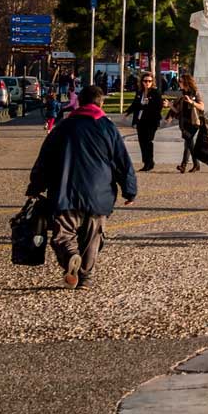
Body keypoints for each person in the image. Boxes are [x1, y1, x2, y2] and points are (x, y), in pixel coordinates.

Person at [26, 85, 137, 289]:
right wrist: (129, 190)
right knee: (92, 237)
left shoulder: (64, 127)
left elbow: (45, 159)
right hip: (99, 193)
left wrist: (36, 186)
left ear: (80, 102)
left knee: (62, 236)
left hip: (65, 190)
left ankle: (70, 256)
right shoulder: (108, 128)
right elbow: (122, 161)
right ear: (101, 103)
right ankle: (85, 278)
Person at [171, 75, 208, 172]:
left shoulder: (195, 93)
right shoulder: (182, 94)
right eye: (179, 81)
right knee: (188, 143)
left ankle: (184, 165)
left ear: (186, 82)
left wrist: (191, 102)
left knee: (189, 142)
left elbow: (202, 107)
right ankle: (196, 165)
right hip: (184, 123)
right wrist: (170, 105)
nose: (179, 83)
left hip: (193, 122)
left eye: (181, 81)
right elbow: (178, 111)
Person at [125, 72, 166, 172]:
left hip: (151, 121)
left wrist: (147, 104)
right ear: (142, 82)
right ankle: (145, 162)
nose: (147, 83)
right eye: (145, 81)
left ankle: (150, 162)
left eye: (149, 81)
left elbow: (159, 106)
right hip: (140, 120)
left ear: (152, 82)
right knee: (142, 142)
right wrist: (127, 112)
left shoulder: (155, 93)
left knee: (148, 141)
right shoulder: (140, 92)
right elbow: (135, 104)